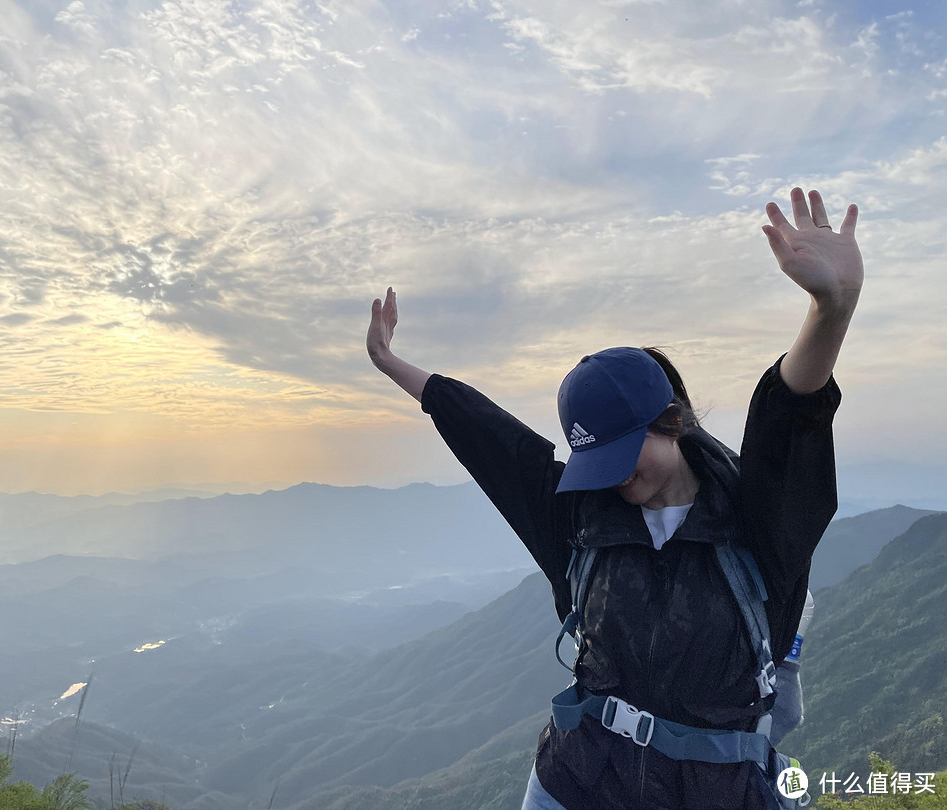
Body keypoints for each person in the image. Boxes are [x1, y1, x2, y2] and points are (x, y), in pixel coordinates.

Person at [366, 188, 862, 809]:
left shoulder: (758, 522)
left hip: (716, 792)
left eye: (626, 454)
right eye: (597, 462)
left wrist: (831, 308)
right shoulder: (579, 519)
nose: (617, 479)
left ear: (673, 418)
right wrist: (391, 363)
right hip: (574, 781)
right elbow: (489, 438)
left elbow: (789, 417)